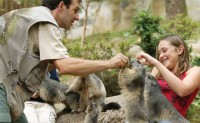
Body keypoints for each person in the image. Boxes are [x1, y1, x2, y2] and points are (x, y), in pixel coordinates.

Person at [0, 0, 129, 122]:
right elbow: (64, 66)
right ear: (61, 6)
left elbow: (45, 63)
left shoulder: (34, 16)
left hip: (9, 92)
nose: (78, 17)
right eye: (75, 10)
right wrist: (109, 63)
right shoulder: (45, 22)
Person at [136, 34, 200, 117]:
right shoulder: (157, 70)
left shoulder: (195, 71)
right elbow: (145, 94)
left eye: (164, 50)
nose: (161, 56)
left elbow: (182, 90)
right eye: (159, 53)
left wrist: (156, 63)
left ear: (180, 50)